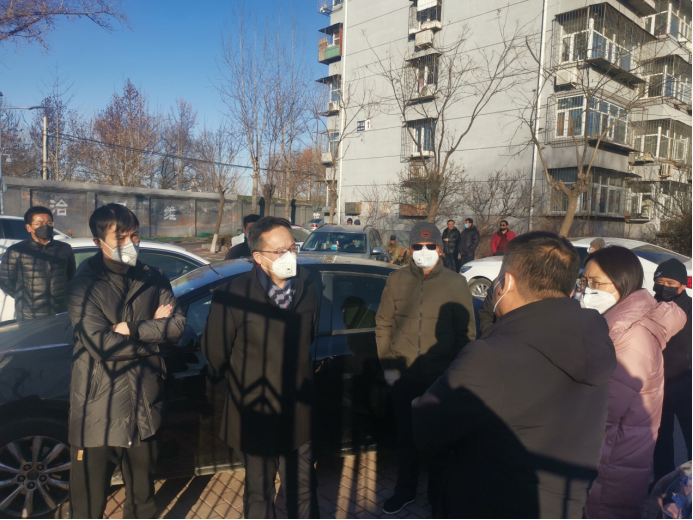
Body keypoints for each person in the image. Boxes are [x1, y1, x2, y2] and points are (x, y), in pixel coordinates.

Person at [412, 232, 617, 519]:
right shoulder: (595, 339)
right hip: (564, 505)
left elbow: (428, 427)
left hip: (492, 502)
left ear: (505, 283)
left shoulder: (490, 356)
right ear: (570, 290)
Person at [66, 203, 186, 519]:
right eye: (120, 238)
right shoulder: (83, 285)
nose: (130, 243)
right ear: (98, 242)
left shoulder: (154, 277)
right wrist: (153, 334)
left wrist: (130, 328)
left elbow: (176, 327)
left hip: (145, 401)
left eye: (134, 235)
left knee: (142, 498)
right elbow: (101, 345)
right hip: (98, 406)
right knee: (88, 501)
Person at [203, 217, 320, 519]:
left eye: (292, 248)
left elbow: (309, 337)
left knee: (303, 486)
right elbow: (217, 353)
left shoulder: (309, 285)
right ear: (258, 256)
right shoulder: (233, 294)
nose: (289, 256)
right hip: (255, 409)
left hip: (298, 408)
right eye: (279, 251)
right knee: (259, 490)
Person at [376, 222, 476, 516]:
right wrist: (388, 366)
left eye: (429, 246)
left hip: (439, 377)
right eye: (418, 246)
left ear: (440, 249)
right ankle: (404, 491)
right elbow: (383, 324)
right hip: (404, 375)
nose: (423, 251)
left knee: (439, 442)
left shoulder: (456, 283)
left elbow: (466, 334)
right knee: (405, 438)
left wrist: (456, 376)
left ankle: (437, 497)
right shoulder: (396, 280)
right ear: (409, 249)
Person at [582, 247, 687, 519]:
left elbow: (603, 410)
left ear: (623, 281)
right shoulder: (616, 323)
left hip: (611, 465)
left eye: (597, 283)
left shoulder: (630, 336)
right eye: (585, 282)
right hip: (613, 458)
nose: (588, 291)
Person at [652, 259, 692, 483]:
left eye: (670, 283)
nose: (664, 287)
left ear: (682, 285)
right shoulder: (650, 307)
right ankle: (663, 481)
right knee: (661, 438)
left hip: (686, 384)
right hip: (658, 383)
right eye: (660, 282)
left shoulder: (690, 308)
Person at [0, 206, 76, 322]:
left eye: (49, 223)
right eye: (39, 223)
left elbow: (70, 276)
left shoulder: (64, 249)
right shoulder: (16, 251)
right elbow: (5, 280)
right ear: (29, 227)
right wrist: (24, 296)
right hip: (30, 313)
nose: (45, 226)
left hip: (60, 310)